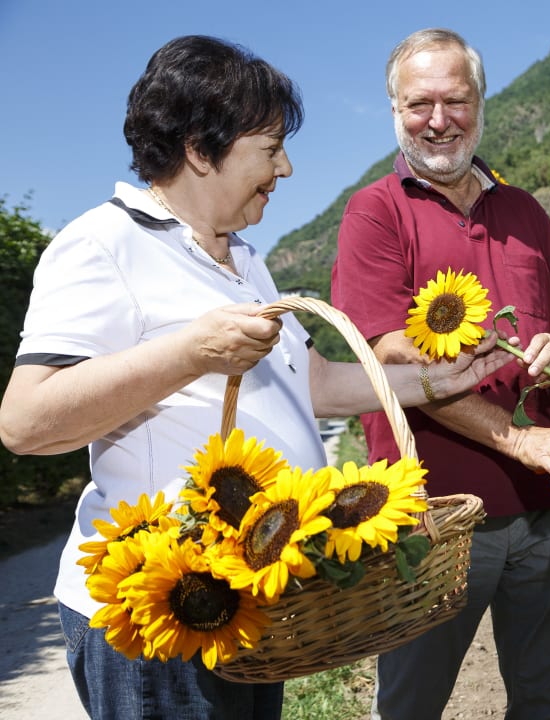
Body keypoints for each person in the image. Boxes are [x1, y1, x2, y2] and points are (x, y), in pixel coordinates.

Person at [0, 35, 515, 720]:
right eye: (270, 148)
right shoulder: (106, 243)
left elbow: (315, 386)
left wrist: (442, 381)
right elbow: (25, 422)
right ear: (198, 147)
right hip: (157, 613)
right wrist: (191, 352)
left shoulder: (243, 258)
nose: (287, 168)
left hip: (244, 600)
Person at [332, 27, 550, 720]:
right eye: (420, 102)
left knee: (547, 702)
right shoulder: (376, 212)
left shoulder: (524, 211)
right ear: (394, 110)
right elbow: (390, 355)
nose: (439, 119)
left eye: (456, 100)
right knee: (412, 704)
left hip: (545, 509)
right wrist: (520, 440)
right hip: (432, 518)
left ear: (482, 103)